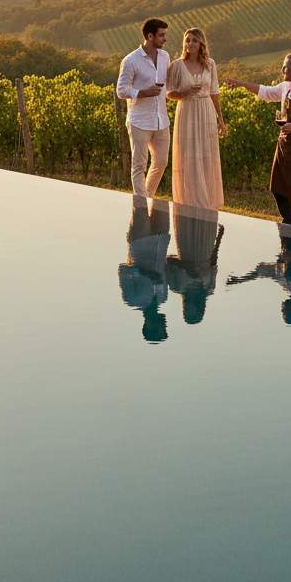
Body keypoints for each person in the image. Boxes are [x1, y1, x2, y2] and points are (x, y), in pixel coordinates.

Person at [225, 52, 291, 227]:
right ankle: (289, 222)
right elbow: (265, 92)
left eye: (285, 67)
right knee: (277, 187)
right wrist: (240, 83)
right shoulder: (286, 87)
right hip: (285, 145)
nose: (282, 70)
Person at [165, 28, 226, 209]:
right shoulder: (177, 65)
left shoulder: (210, 64)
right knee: (188, 157)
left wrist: (221, 120)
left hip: (206, 112)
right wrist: (184, 92)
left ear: (201, 44)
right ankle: (189, 201)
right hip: (187, 112)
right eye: (187, 40)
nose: (189, 44)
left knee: (207, 156)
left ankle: (207, 201)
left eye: (194, 40)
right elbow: (169, 93)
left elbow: (215, 93)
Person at [226, 226, 291, 326]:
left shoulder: (286, 284)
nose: (282, 309)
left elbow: (264, 271)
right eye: (285, 311)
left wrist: (241, 279)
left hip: (286, 235)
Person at [116, 18, 171, 199]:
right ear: (150, 36)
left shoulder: (165, 57)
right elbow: (121, 90)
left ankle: (148, 196)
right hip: (139, 121)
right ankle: (141, 204)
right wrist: (143, 92)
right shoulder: (131, 60)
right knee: (139, 165)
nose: (165, 39)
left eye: (165, 34)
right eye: (161, 35)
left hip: (161, 120)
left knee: (162, 162)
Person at [119, 198, 171, 343]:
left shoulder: (132, 299)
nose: (165, 325)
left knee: (140, 201)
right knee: (163, 199)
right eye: (165, 328)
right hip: (161, 238)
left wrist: (144, 273)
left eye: (161, 328)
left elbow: (123, 271)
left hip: (140, 242)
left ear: (148, 326)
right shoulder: (163, 297)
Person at [166, 203, 224, 325]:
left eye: (187, 313)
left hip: (186, 244)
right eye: (193, 314)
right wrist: (219, 237)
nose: (189, 310)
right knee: (207, 206)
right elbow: (214, 260)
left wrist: (186, 267)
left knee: (186, 205)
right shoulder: (209, 288)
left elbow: (168, 261)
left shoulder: (176, 286)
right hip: (206, 244)